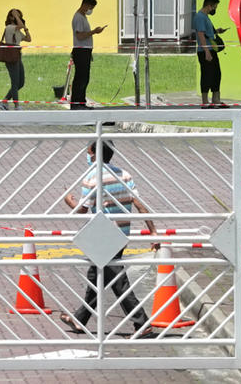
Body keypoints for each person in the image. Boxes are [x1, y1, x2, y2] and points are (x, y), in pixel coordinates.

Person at [60, 140, 158, 339]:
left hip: (103, 236)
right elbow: (139, 205)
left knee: (116, 279)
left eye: (88, 152)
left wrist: (68, 200)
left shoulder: (91, 178)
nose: (87, 156)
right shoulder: (124, 175)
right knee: (96, 275)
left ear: (93, 154)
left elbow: (81, 210)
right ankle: (80, 319)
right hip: (122, 234)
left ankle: (142, 323)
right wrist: (153, 231)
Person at [70, 0, 106, 110]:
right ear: (85, 4)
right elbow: (80, 36)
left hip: (85, 51)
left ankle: (81, 102)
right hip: (80, 51)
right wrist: (93, 32)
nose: (90, 10)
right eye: (90, 7)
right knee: (80, 78)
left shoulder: (83, 17)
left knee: (85, 77)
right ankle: (77, 103)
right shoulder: (78, 18)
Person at [194, 0, 227, 109]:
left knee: (216, 74)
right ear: (209, 6)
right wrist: (206, 51)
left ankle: (216, 99)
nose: (214, 10)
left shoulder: (206, 17)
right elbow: (201, 35)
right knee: (207, 75)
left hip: (211, 50)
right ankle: (205, 101)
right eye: (214, 7)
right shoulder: (200, 17)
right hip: (205, 51)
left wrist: (216, 31)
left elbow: (208, 33)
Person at [0, 9, 31, 110]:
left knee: (21, 83)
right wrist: (16, 16)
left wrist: (26, 29)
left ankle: (4, 101)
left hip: (17, 57)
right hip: (11, 57)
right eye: (17, 17)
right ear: (11, 17)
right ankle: (16, 105)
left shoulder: (17, 31)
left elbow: (29, 39)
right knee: (15, 82)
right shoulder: (10, 28)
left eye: (20, 16)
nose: (19, 19)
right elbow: (20, 25)